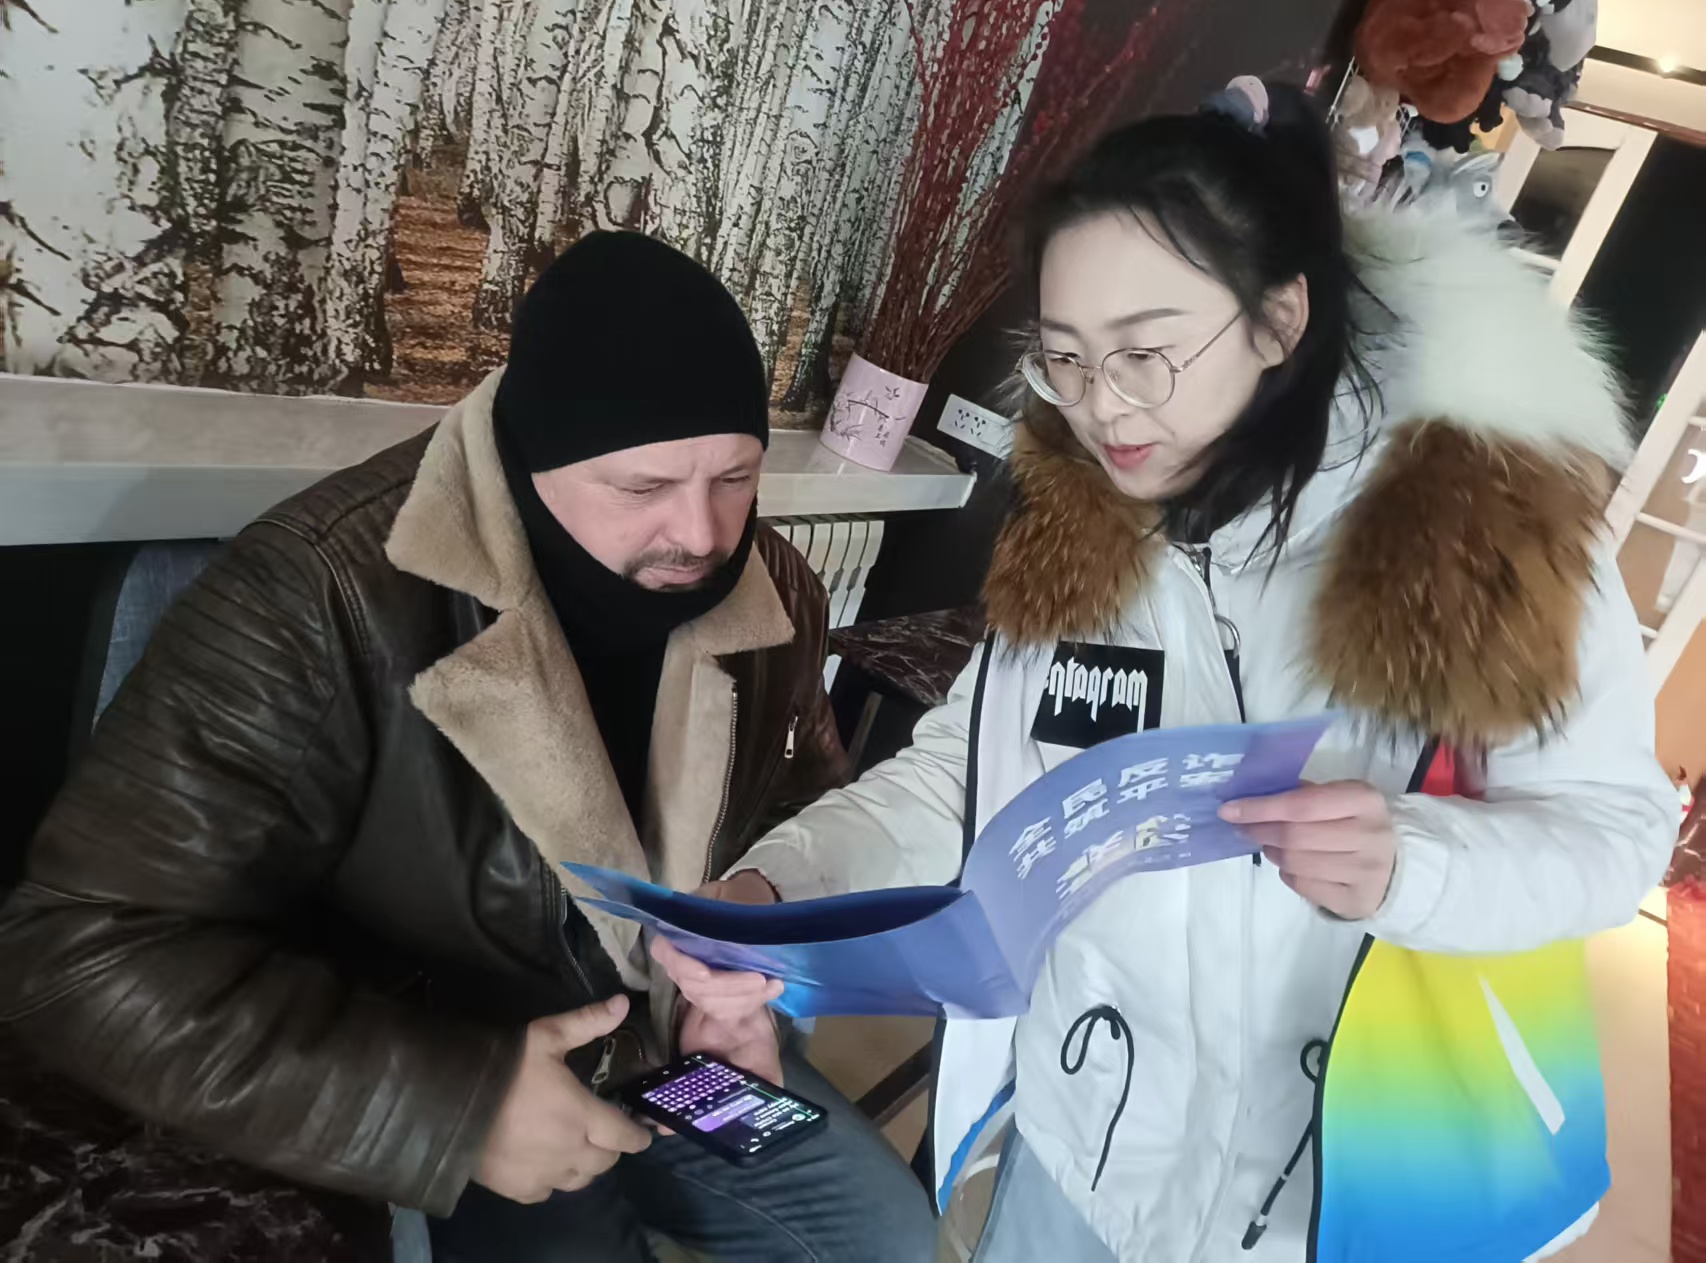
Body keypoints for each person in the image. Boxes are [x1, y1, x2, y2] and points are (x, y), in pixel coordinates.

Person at [665, 81, 1677, 1262]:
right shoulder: (1078, 534)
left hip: (1341, 1198)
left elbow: (1615, 834)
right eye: (1064, 359)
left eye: (1143, 353)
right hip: (1080, 1156)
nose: (1101, 408)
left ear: (1277, 319)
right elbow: (969, 786)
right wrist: (781, 891)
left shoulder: (1479, 533)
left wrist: (1414, 862)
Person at [0, 232, 937, 1262]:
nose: (704, 534)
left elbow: (798, 814)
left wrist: (749, 983)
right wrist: (455, 1106)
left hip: (673, 1041)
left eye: (736, 476)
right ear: (533, 457)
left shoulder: (775, 587)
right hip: (436, 1063)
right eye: (642, 487)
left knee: (890, 1236)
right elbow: (75, 948)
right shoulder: (320, 593)